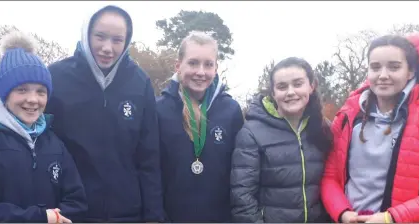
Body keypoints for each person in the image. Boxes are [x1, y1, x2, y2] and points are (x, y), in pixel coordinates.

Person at [45, 5, 164, 222]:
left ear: (127, 41)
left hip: (126, 214)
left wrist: (154, 217)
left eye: (117, 40)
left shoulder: (140, 83)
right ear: (86, 34)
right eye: (100, 37)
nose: (107, 48)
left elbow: (149, 158)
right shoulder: (56, 77)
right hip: (69, 213)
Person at [321, 33, 419, 223]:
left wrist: (391, 218)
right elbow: (329, 177)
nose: (383, 75)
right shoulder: (347, 116)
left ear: (410, 71)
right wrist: (342, 213)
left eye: (394, 67)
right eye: (375, 67)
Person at [0, 31, 87, 223]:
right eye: (22, 90)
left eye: (41, 91)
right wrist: (41, 218)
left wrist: (57, 217)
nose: (32, 99)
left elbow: (77, 203)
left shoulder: (55, 145)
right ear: (5, 94)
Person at [230, 57, 333, 223]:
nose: (290, 92)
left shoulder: (324, 128)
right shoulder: (252, 132)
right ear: (273, 92)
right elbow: (243, 196)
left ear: (311, 86)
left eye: (298, 84)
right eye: (282, 87)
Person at [156, 31, 244, 222]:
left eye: (208, 64)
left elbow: (240, 172)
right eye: (193, 63)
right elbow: (150, 169)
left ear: (216, 68)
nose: (201, 72)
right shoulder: (159, 109)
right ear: (178, 66)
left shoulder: (231, 110)